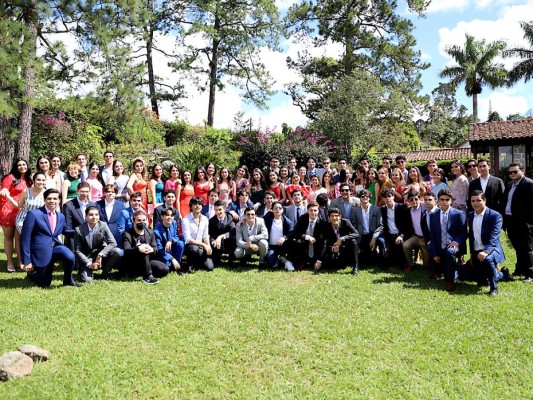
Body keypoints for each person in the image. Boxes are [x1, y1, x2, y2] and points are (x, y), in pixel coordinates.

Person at [20, 188, 79, 287]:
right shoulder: (34, 214)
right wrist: (27, 261)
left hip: (56, 247)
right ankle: (33, 274)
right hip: (40, 251)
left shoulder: (60, 216)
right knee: (44, 284)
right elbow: (25, 238)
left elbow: (66, 231)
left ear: (59, 200)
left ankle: (68, 280)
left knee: (70, 256)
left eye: (55, 199)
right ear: (44, 200)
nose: (52, 201)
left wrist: (81, 232)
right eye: (49, 198)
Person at [469, 191, 511, 296]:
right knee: (482, 282)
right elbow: (471, 236)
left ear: (484, 200)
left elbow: (494, 237)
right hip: (477, 250)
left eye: (478, 200)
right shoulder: (470, 215)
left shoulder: (495, 216)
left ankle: (494, 289)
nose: (475, 203)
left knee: (487, 259)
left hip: (492, 249)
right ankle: (502, 274)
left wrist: (486, 251)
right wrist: (471, 254)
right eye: (473, 201)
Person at [428, 189, 467, 292]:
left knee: (449, 252)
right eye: (442, 199)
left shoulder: (458, 214)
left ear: (451, 201)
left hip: (453, 244)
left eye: (447, 199)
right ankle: (437, 270)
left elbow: (463, 233)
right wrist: (435, 252)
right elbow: (433, 234)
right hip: (440, 243)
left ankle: (450, 280)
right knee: (430, 247)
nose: (445, 202)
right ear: (438, 201)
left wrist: (456, 242)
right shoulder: (433, 215)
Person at [503, 162, 533, 281]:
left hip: (524, 221)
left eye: (515, 171)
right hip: (511, 220)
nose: (512, 174)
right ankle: (520, 269)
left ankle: (530, 273)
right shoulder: (510, 185)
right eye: (510, 172)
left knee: (526, 247)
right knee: (517, 247)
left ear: (522, 171)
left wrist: (530, 221)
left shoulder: (529, 184)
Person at [74, 206, 121, 282]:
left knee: (117, 251)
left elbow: (113, 243)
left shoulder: (103, 225)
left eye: (96, 214)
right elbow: (77, 250)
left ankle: (105, 273)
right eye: (91, 215)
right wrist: (89, 263)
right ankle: (84, 270)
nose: (94, 217)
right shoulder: (79, 230)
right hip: (87, 256)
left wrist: (101, 254)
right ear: (86, 217)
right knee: (87, 280)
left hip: (100, 254)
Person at [0, 158, 31, 272]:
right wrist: (3, 191)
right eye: (19, 165)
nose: (22, 167)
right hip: (9, 211)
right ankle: (9, 263)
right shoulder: (10, 177)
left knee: (19, 238)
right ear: (15, 167)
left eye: (24, 164)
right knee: (9, 237)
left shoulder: (29, 179)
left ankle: (20, 261)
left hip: (22, 211)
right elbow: (4, 189)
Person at [122, 210, 167, 284]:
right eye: (139, 220)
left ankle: (145, 272)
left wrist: (151, 249)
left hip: (147, 261)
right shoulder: (127, 234)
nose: (142, 222)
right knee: (143, 251)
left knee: (164, 269)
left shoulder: (150, 232)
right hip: (133, 262)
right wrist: (138, 249)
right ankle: (147, 277)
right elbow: (127, 250)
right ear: (134, 221)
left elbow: (156, 249)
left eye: (143, 220)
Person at [286, 201, 327, 272]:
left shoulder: (322, 223)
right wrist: (307, 237)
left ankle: (310, 261)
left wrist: (319, 260)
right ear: (307, 210)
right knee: (296, 242)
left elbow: (324, 243)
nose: (313, 212)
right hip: (303, 244)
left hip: (315, 246)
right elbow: (295, 232)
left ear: (318, 211)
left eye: (315, 210)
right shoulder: (303, 218)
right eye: (311, 210)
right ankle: (292, 261)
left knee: (314, 265)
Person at [380, 188, 413, 268]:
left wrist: (401, 236)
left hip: (401, 235)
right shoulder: (383, 209)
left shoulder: (402, 207)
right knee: (389, 262)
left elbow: (407, 224)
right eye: (385, 197)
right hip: (390, 236)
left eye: (389, 196)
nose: (387, 198)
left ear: (393, 197)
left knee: (401, 261)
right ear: (383, 199)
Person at [352, 189, 385, 268]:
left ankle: (383, 262)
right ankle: (355, 263)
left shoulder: (376, 209)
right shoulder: (355, 210)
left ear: (370, 198)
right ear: (360, 198)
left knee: (381, 241)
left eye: (367, 196)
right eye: (362, 196)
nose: (364, 198)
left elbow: (380, 225)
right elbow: (354, 224)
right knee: (354, 242)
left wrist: (374, 237)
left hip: (374, 234)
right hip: (361, 234)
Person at [321, 208, 359, 275]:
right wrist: (332, 247)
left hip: (346, 247)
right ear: (329, 218)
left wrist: (342, 238)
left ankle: (355, 266)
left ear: (340, 216)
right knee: (334, 266)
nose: (334, 218)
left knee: (353, 241)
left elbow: (356, 234)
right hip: (335, 249)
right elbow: (325, 242)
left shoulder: (346, 222)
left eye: (336, 216)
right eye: (332, 216)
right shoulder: (326, 226)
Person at [182, 196, 214, 272]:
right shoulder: (185, 220)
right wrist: (204, 245)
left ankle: (197, 262)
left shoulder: (205, 219)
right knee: (194, 249)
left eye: (200, 204)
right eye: (195, 204)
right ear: (191, 206)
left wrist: (208, 246)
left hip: (201, 246)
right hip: (190, 246)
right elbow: (188, 239)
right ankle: (190, 264)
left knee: (210, 267)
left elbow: (206, 235)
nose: (198, 206)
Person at [402, 191, 430, 272]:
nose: (414, 201)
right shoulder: (408, 211)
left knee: (426, 266)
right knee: (406, 245)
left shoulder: (425, 208)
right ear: (409, 201)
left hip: (425, 239)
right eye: (411, 199)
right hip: (415, 237)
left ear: (420, 199)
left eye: (416, 199)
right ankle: (410, 264)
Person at [63, 182, 96, 250]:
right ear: (77, 191)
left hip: (91, 243)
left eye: (87, 191)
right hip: (74, 241)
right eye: (82, 191)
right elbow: (67, 228)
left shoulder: (93, 205)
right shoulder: (68, 206)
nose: (85, 194)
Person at [153, 208, 185, 274]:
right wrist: (171, 259)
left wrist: (170, 240)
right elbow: (159, 249)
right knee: (167, 267)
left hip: (172, 248)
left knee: (180, 243)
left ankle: (177, 265)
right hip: (162, 253)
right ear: (162, 217)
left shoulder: (174, 223)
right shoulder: (156, 231)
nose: (169, 217)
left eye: (172, 215)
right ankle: (173, 263)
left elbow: (177, 236)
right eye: (167, 215)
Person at [263, 201, 294, 269]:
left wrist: (284, 238)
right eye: (275, 208)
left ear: (283, 210)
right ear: (272, 210)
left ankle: (284, 259)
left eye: (280, 208)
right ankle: (278, 260)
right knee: (270, 263)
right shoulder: (268, 217)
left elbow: (291, 232)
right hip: (271, 246)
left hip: (282, 246)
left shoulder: (287, 221)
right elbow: (258, 220)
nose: (278, 210)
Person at [208, 200, 237, 265]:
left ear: (224, 209)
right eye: (216, 210)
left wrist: (221, 237)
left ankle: (231, 259)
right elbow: (211, 234)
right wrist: (213, 241)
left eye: (220, 210)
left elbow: (232, 231)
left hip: (228, 242)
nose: (218, 212)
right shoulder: (211, 221)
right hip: (217, 244)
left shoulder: (229, 217)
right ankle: (216, 258)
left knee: (234, 237)